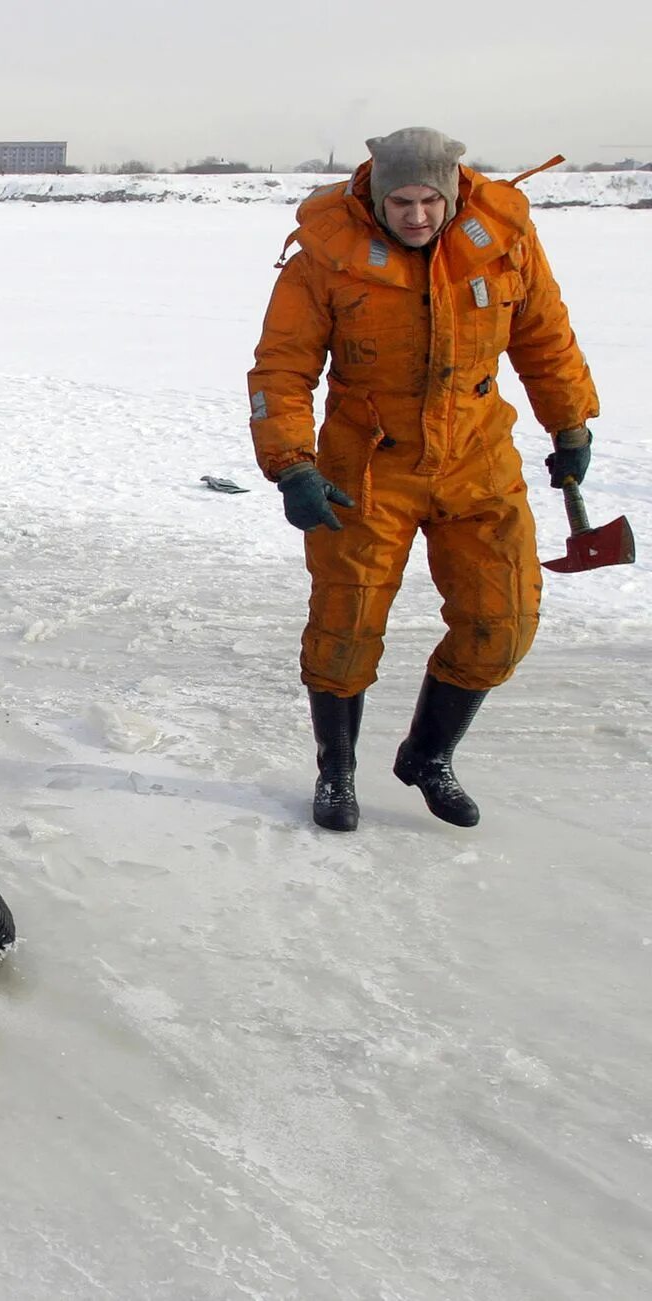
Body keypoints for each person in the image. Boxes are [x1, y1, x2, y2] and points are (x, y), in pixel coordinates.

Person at [248, 128, 599, 831]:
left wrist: (570, 424)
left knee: (503, 622)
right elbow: (281, 370)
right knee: (344, 626)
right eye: (400, 201)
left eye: (429, 201)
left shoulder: (503, 241)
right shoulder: (323, 259)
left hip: (478, 456)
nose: (415, 216)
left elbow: (545, 337)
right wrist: (292, 465)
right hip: (366, 464)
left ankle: (428, 754)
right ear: (377, 195)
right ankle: (336, 771)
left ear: (453, 191)